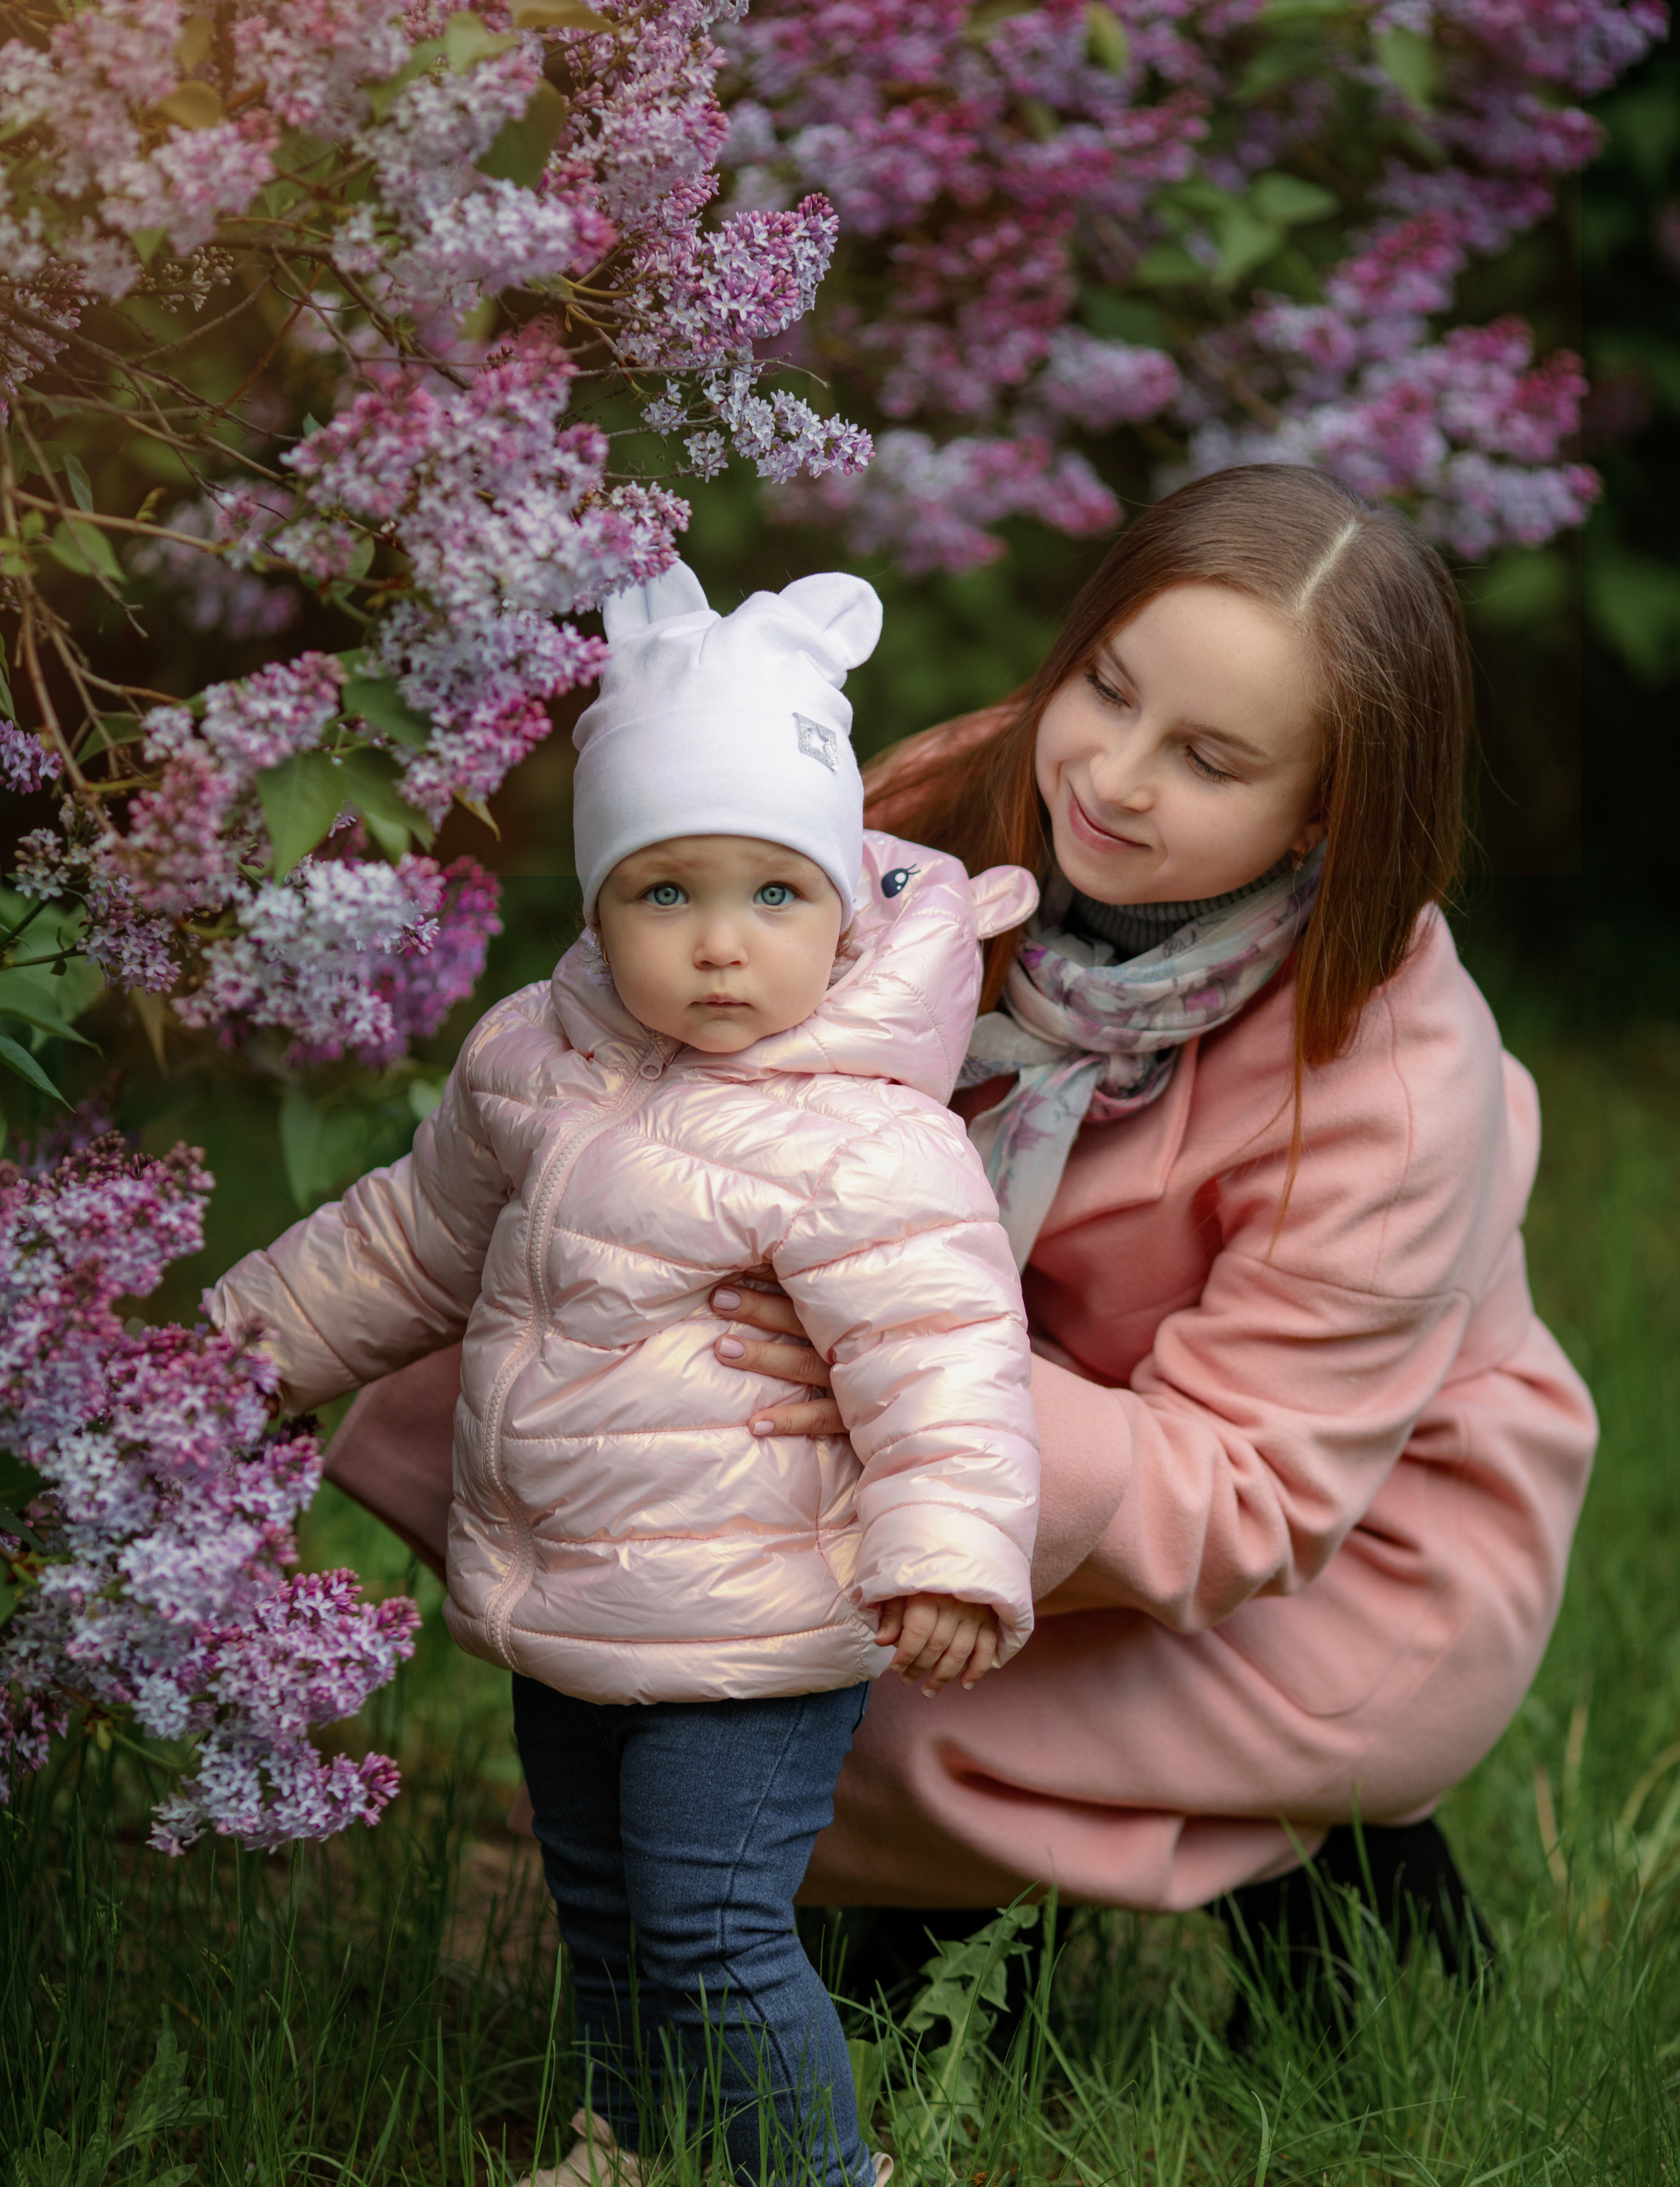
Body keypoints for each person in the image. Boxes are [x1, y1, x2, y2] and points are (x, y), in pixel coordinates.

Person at [327, 465, 1596, 2028]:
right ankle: (891, 1914)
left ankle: (1305, 1881)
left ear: (1323, 810)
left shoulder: (1388, 1080)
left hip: (1309, 1543)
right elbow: (703, 1074)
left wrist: (922, 1417)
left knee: (838, 1684)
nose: (1112, 778)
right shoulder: (944, 815)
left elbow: (1254, 1488)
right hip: (922, 1373)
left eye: (1206, 759)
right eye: (1105, 689)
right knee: (570, 1445)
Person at [209, 563, 1041, 2187]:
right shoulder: (536, 1056)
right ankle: (645, 2148)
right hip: (573, 1595)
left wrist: (952, 1548)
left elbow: (946, 1357)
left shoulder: (858, 1137)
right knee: (599, 1905)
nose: (721, 941)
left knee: (713, 1924)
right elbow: (408, 1240)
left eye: (771, 892)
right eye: (666, 891)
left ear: (835, 903)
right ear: (599, 904)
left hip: (751, 1623)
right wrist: (236, 1363)